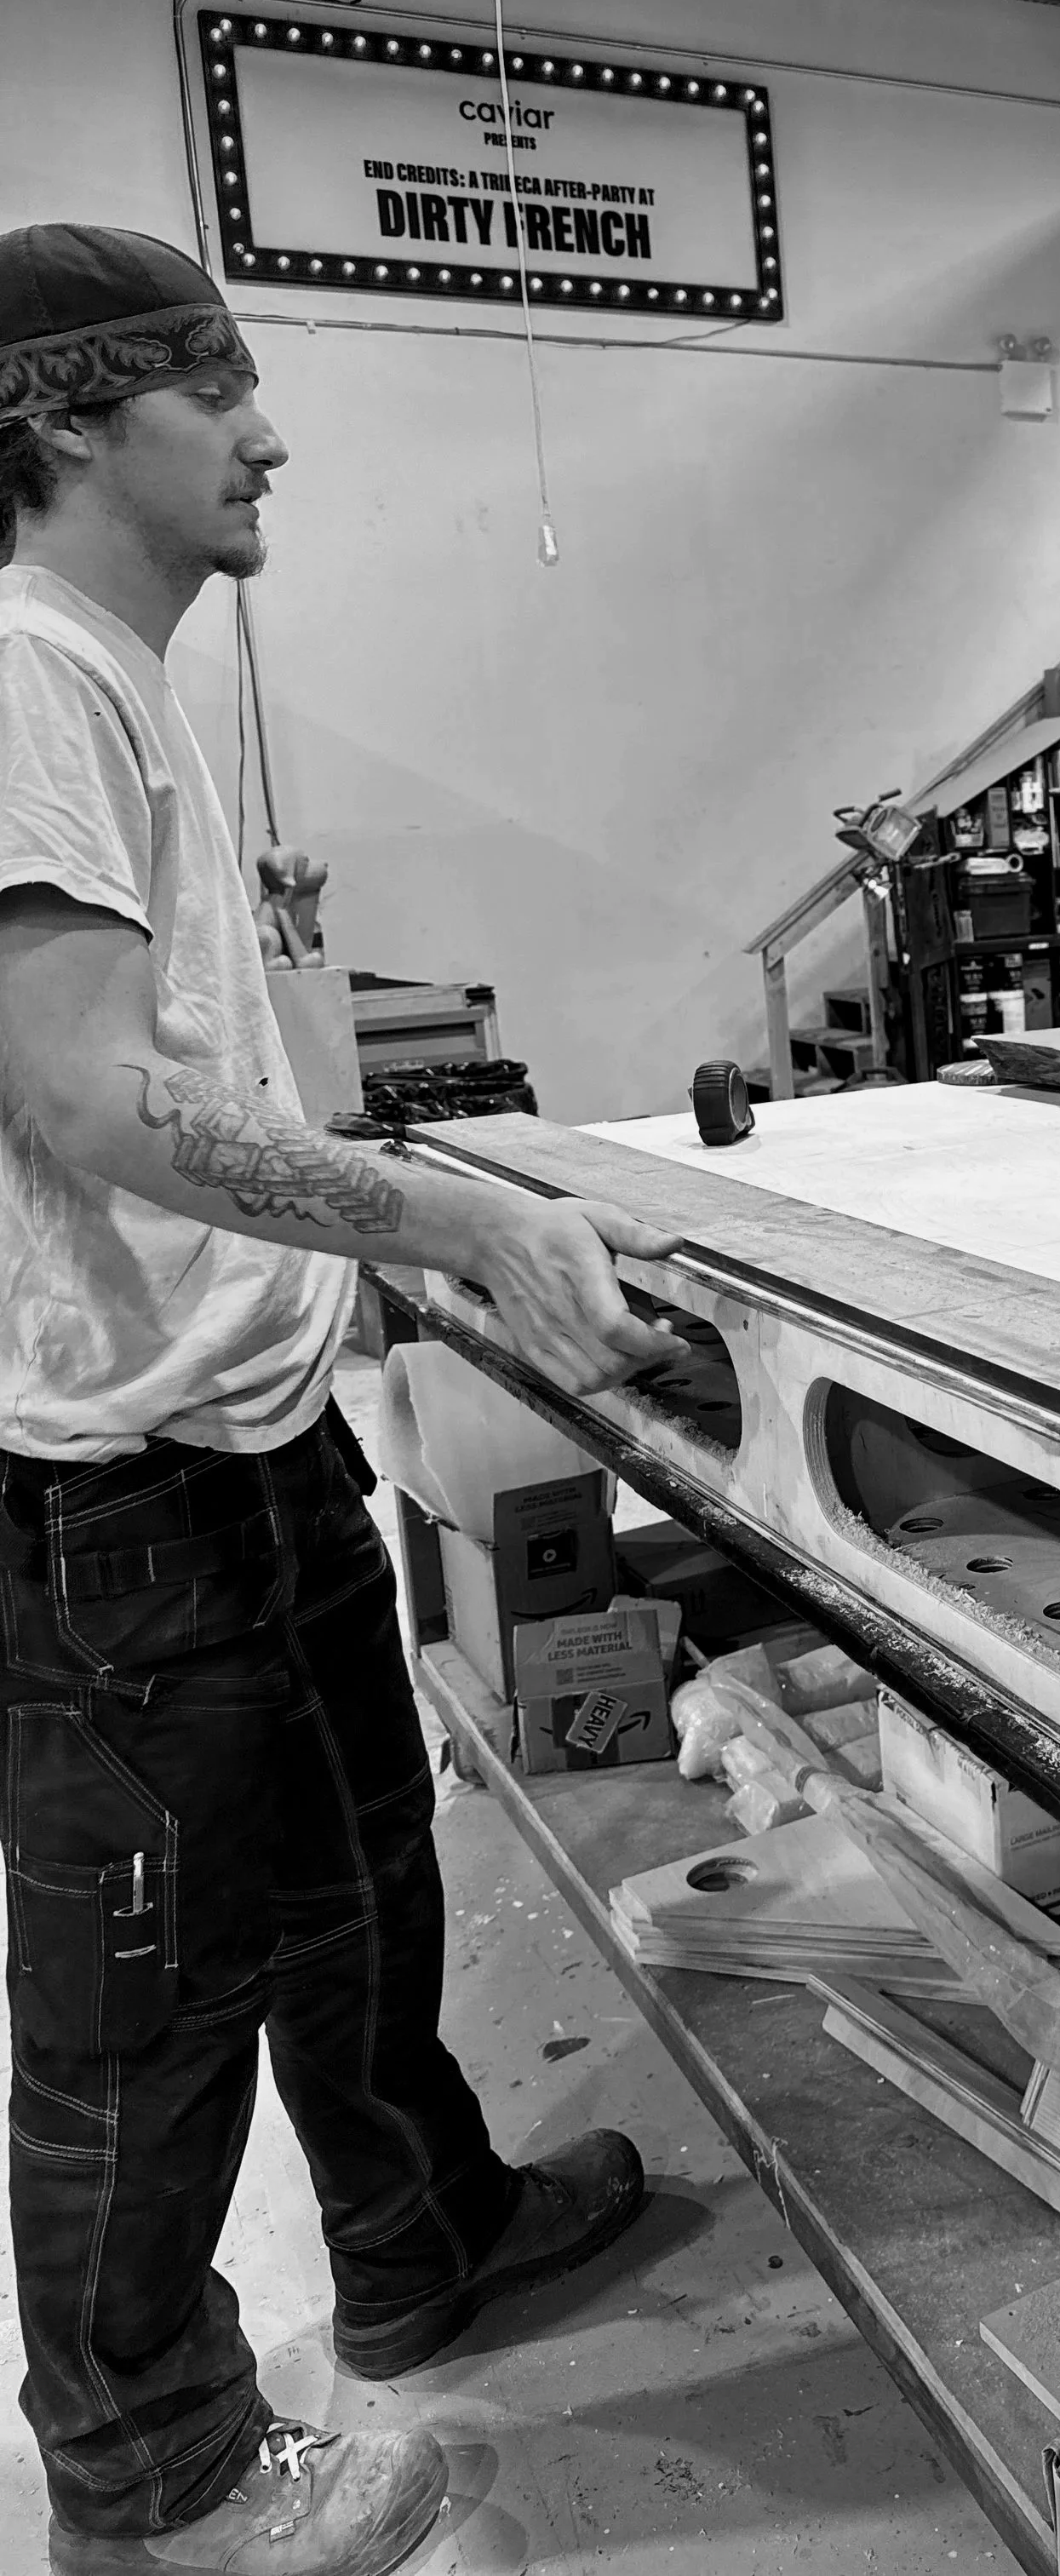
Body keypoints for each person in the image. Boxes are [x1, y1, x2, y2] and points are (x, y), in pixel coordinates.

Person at [0, 226, 685, 2576]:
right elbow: (87, 1099)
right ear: (81, 419)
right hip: (111, 1495)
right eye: (222, 385)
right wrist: (451, 1223)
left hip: (241, 1437)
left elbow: (176, 1074)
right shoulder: (22, 669)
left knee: (361, 1887)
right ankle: (155, 2484)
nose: (269, 429)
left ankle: (419, 2240)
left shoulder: (115, 671)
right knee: (143, 2013)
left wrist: (334, 1289)